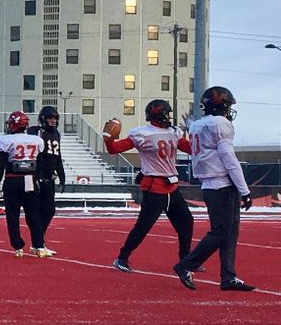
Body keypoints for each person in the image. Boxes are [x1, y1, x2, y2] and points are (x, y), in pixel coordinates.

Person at [173, 85, 254, 293]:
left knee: (229, 233)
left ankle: (229, 277)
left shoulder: (198, 125)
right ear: (222, 106)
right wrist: (244, 189)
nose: (229, 111)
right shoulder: (220, 124)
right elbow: (229, 159)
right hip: (221, 185)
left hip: (211, 184)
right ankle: (186, 265)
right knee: (221, 232)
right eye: (227, 106)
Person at [103, 100, 194, 272]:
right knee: (143, 227)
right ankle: (122, 257)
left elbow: (191, 149)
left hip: (171, 187)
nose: (169, 117)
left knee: (187, 222)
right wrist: (108, 140)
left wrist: (197, 136)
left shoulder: (173, 132)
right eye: (166, 113)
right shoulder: (142, 133)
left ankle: (186, 261)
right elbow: (114, 149)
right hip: (154, 187)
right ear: (158, 115)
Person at [0, 112, 49, 256]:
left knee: (13, 215)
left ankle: (18, 246)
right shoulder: (36, 140)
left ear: (13, 124)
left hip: (13, 179)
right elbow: (40, 163)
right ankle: (38, 245)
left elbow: (1, 164)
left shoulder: (7, 140)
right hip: (30, 180)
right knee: (33, 215)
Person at [34, 105, 66, 242]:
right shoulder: (37, 132)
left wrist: (62, 177)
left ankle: (39, 239)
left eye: (55, 118)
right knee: (44, 209)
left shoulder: (56, 134)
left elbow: (57, 157)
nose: (53, 121)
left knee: (48, 210)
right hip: (40, 176)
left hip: (50, 176)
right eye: (50, 118)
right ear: (43, 119)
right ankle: (38, 240)